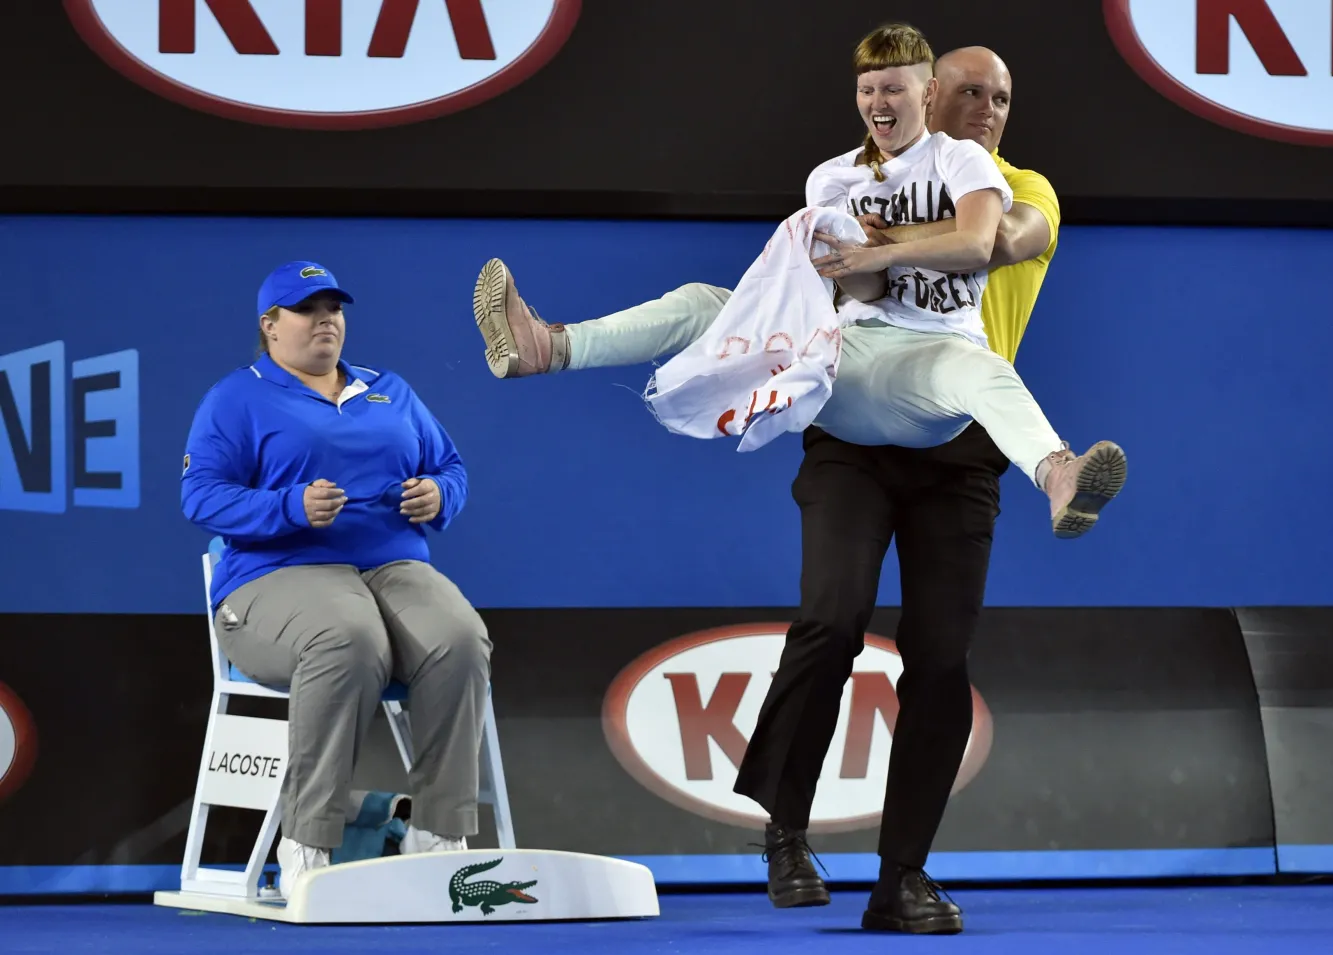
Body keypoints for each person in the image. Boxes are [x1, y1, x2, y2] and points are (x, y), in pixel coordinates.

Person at [473, 29, 1112, 934]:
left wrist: (889, 248)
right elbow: (820, 282)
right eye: (967, 93)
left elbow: (1003, 237)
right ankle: (783, 829)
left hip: (961, 439)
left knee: (939, 657)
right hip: (853, 427)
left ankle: (904, 878)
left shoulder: (1010, 181)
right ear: (925, 97)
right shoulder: (848, 178)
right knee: (829, 617)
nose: (984, 110)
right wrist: (844, 262)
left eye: (999, 98)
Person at [181, 261, 491, 898]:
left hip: (392, 566)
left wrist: (439, 495)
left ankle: (438, 838)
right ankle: (307, 842)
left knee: (458, 638)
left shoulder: (390, 389)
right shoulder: (236, 397)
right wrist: (288, 507)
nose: (326, 319)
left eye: (335, 308)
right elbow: (200, 497)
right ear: (270, 326)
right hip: (277, 573)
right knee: (347, 637)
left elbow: (451, 467)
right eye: (306, 308)